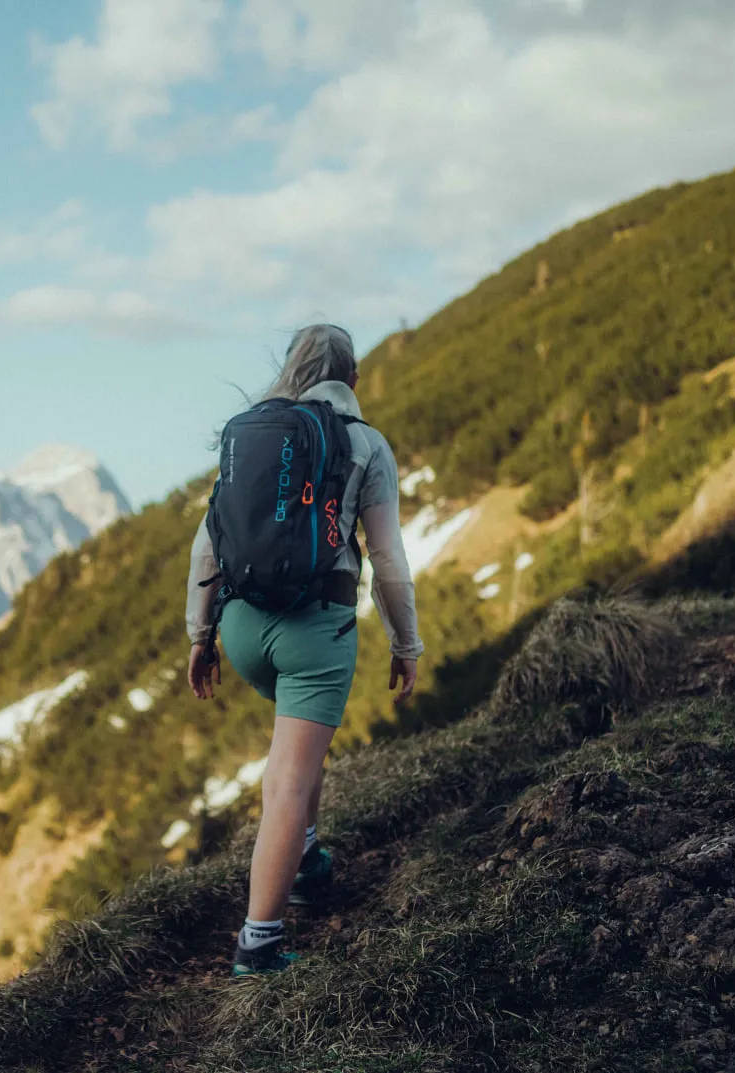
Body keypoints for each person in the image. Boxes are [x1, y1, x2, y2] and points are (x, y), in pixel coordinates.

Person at [184, 323, 424, 976]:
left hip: (239, 626)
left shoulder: (253, 435)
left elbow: (207, 543)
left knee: (298, 742)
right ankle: (257, 942)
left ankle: (306, 857)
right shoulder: (362, 442)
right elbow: (386, 558)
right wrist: (407, 642)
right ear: (351, 378)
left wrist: (200, 635)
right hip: (312, 630)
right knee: (288, 778)